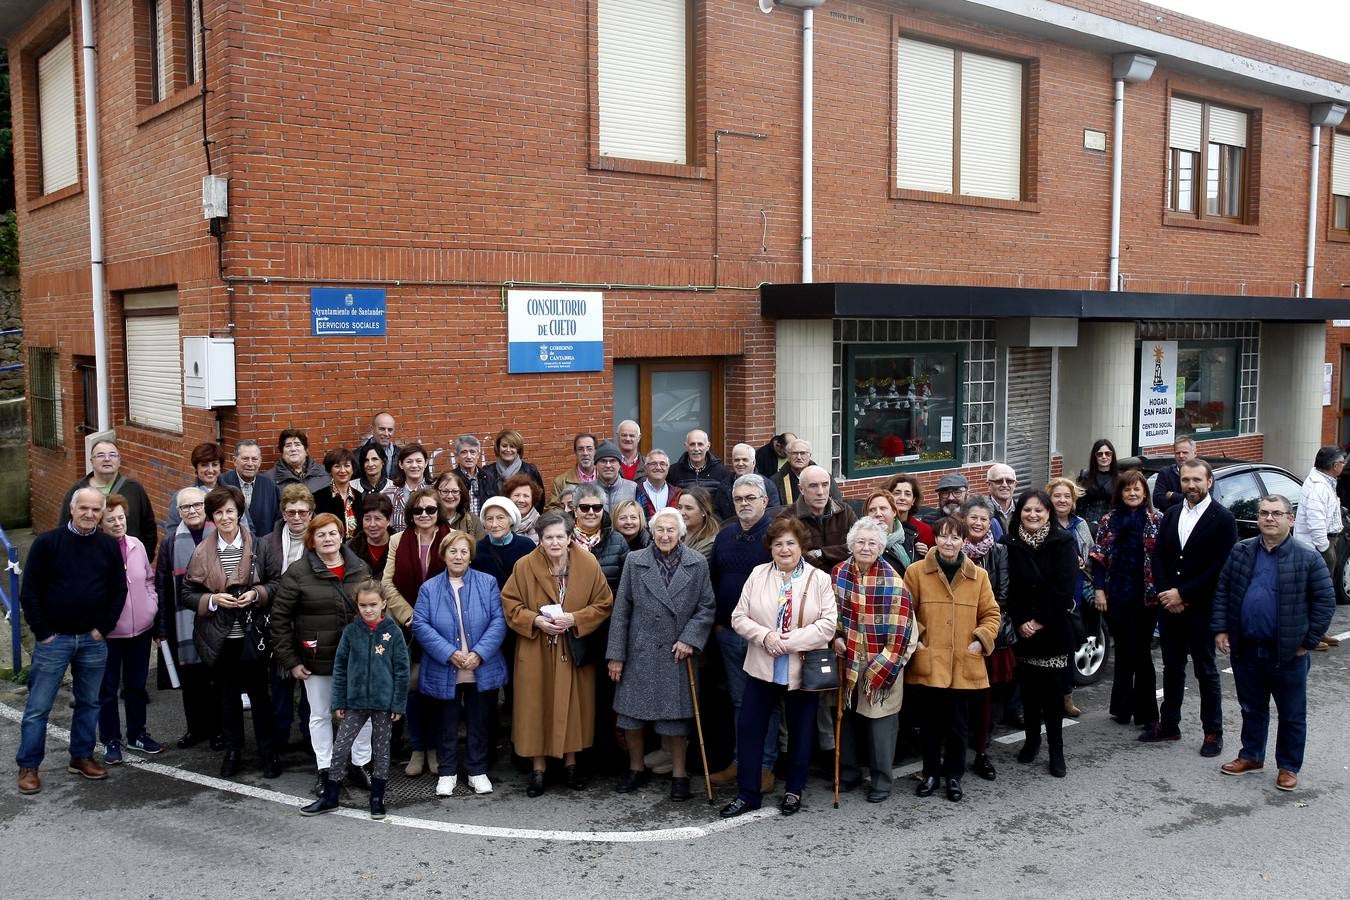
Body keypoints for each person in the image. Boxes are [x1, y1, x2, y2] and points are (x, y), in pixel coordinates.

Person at [1213, 495, 1336, 792]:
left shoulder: (1307, 557)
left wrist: (1308, 640)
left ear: (1290, 520)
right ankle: (1252, 755)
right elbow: (1223, 591)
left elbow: (1325, 601)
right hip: (1247, 648)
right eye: (1264, 513)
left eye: (1277, 513)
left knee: (1292, 714)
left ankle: (1288, 767)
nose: (1269, 518)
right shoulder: (1241, 551)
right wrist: (1220, 629)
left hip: (1288, 653)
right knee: (1251, 707)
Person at [719, 516, 837, 818]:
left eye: (790, 543)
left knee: (800, 732)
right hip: (762, 665)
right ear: (770, 548)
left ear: (801, 547)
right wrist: (766, 636)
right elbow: (739, 617)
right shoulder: (758, 574)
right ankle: (748, 794)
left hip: (801, 667)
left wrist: (791, 641)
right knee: (749, 729)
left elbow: (827, 625)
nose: (784, 549)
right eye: (778, 544)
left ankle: (794, 790)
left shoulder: (819, 578)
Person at [16, 488, 126, 795]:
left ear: (101, 513)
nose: (90, 514)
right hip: (55, 641)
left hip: (92, 641)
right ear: (72, 509)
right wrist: (43, 632)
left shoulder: (107, 546)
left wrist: (102, 628)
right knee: (39, 707)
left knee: (90, 703)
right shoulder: (47, 543)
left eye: (95, 510)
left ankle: (81, 756)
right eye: (84, 509)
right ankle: (28, 766)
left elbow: (119, 590)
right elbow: (30, 591)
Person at [501, 511, 615, 797]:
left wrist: (575, 619)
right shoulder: (524, 565)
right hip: (536, 647)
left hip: (572, 647)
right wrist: (534, 620)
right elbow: (510, 603)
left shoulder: (588, 563)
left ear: (569, 537)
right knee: (535, 705)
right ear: (540, 539)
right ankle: (538, 769)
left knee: (574, 707)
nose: (554, 543)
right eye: (548, 537)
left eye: (559, 537)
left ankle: (571, 765)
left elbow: (604, 603)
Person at [606, 507, 716, 800]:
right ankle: (635, 769)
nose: (665, 535)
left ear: (680, 533)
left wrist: (689, 639)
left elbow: (706, 607)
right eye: (659, 530)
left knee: (676, 720)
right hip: (639, 650)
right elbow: (621, 611)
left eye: (671, 530)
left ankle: (679, 774)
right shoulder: (634, 560)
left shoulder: (696, 563)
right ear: (651, 532)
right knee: (631, 717)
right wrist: (616, 655)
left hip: (676, 652)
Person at [270, 513, 374, 794]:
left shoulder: (359, 568)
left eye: (332, 533)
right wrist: (291, 661)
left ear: (342, 536)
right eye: (321, 535)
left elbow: (374, 611)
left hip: (357, 658)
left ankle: (359, 763)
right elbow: (279, 619)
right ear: (311, 540)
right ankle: (327, 768)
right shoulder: (297, 572)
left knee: (362, 712)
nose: (328, 539)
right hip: (316, 658)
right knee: (320, 715)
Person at [183, 486, 279, 779]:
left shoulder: (260, 546)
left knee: (261, 697)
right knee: (227, 697)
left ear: (239, 513)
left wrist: (256, 594)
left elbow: (276, 582)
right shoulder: (201, 551)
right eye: (219, 512)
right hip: (220, 637)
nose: (225, 517)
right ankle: (234, 750)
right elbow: (186, 593)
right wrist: (213, 600)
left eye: (230, 511)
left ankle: (267, 752)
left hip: (253, 636)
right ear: (212, 516)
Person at [904, 515, 999, 801]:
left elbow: (992, 614)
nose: (949, 542)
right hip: (931, 660)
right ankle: (931, 773)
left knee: (959, 726)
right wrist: (920, 640)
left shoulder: (978, 575)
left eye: (955, 537)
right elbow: (906, 612)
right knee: (931, 725)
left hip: (963, 660)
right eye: (943, 536)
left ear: (963, 541)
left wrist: (980, 641)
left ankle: (954, 776)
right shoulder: (916, 571)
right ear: (935, 539)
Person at [1146, 458, 1237, 756]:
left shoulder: (1223, 519)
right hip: (1169, 608)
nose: (1191, 485)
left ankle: (1213, 732)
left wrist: (1182, 594)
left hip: (1200, 609)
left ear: (1209, 482)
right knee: (1172, 668)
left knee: (1206, 671)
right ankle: (1169, 724)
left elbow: (1219, 568)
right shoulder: (1171, 514)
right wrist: (1165, 593)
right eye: (1186, 480)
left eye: (1197, 480)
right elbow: (1158, 556)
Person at [301, 580, 409, 819]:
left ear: (384, 604)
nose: (368, 609)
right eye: (363, 605)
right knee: (340, 749)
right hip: (355, 703)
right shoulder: (351, 632)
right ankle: (330, 797)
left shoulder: (394, 633)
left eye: (373, 604)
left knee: (381, 752)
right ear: (357, 606)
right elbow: (340, 668)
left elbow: (402, 670)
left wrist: (398, 703)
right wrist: (339, 701)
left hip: (383, 704)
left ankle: (377, 799)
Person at [414, 530, 509, 797]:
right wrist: (449, 653)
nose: (458, 556)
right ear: (443, 555)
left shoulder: (488, 582)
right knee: (446, 723)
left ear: (471, 556)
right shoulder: (429, 588)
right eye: (453, 551)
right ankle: (447, 772)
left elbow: (498, 621)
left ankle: (477, 771)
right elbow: (420, 625)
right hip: (445, 667)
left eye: (464, 551)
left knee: (479, 722)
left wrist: (479, 653)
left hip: (481, 667)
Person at [831, 517, 914, 803]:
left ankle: (881, 779)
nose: (865, 547)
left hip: (884, 660)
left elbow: (903, 629)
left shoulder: (893, 579)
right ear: (851, 544)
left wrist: (885, 663)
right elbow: (833, 616)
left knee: (881, 726)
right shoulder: (839, 573)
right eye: (860, 542)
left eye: (872, 543)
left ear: (881, 547)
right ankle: (849, 773)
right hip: (849, 658)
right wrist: (836, 638)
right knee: (848, 720)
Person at [708, 474, 781, 793]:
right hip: (729, 635)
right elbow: (712, 581)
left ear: (765, 501)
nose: (744, 504)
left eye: (751, 498)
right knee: (739, 702)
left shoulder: (777, 537)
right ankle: (741, 762)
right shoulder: (724, 537)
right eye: (739, 499)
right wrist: (718, 624)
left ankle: (765, 766)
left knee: (766, 701)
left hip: (764, 637)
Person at [1003, 490, 1078, 778]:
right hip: (1023, 632)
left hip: (1053, 630)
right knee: (1030, 694)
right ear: (1019, 513)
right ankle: (1032, 741)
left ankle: (1056, 752)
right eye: (1026, 510)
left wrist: (1038, 621)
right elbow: (1009, 588)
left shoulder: (1062, 542)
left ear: (1048, 514)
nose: (1032, 515)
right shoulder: (1009, 543)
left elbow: (1064, 587)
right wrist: (1022, 621)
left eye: (1039, 510)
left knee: (1053, 696)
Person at [382, 486, 451, 778]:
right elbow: (386, 583)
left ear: (439, 512)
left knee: (436, 692)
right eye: (418, 510)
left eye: (430, 509)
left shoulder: (452, 538)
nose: (424, 515)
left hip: (441, 627)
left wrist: (430, 619)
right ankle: (417, 748)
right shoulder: (398, 540)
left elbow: (457, 579)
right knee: (412, 690)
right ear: (410, 513)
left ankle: (435, 749)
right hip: (407, 627)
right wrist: (411, 616)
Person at [1090, 470, 1163, 730]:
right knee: (1123, 652)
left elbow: (1164, 559)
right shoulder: (1108, 520)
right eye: (1127, 489)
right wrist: (1099, 590)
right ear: (1120, 493)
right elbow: (1099, 557)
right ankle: (1121, 708)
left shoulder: (1157, 520)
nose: (1132, 493)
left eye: (1137, 489)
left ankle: (1147, 715)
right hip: (1117, 595)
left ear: (1145, 492)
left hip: (1148, 599)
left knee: (1142, 654)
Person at [97, 493, 164, 766]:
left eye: (120, 518)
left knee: (136, 686)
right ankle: (111, 740)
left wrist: (151, 605)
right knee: (107, 690)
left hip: (141, 630)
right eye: (110, 519)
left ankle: (137, 734)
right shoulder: (97, 549)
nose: (117, 523)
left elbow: (148, 579)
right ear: (101, 524)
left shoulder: (136, 545)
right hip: (109, 634)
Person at [254, 484, 318, 754]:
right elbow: (260, 580)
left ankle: (309, 738)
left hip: (310, 622)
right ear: (283, 512)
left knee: (310, 686)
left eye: (302, 512)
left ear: (311, 514)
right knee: (280, 687)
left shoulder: (320, 541)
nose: (297, 518)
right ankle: (278, 741)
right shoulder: (266, 542)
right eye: (291, 512)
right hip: (276, 622)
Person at [157, 486, 220, 751]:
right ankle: (196, 728)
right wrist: (160, 626)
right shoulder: (170, 542)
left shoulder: (220, 534)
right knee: (192, 680)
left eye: (196, 505)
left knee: (217, 679)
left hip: (218, 618)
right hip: (183, 621)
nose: (192, 511)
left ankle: (220, 730)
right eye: (185, 507)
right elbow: (161, 585)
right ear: (178, 511)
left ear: (205, 506)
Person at [960, 495, 1013, 782]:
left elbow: (1002, 597)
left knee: (985, 699)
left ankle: (981, 751)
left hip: (987, 636)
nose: (978, 523)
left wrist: (982, 632)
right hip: (954, 636)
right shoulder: (951, 547)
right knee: (955, 698)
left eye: (983, 519)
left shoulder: (999, 552)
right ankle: (953, 753)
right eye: (973, 518)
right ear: (964, 520)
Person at [60, 439, 158, 559]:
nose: (107, 459)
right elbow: (63, 528)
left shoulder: (134, 489)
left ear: (119, 460)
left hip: (128, 559)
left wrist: (143, 558)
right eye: (100, 455)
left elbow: (149, 528)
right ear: (92, 461)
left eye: (112, 455)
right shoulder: (77, 491)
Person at [1048, 476, 1093, 718]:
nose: (1062, 500)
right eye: (1057, 496)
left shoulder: (1080, 524)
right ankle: (1047, 698)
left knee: (1067, 647)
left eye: (1067, 496)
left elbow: (1090, 555)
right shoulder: (1042, 521)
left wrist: (1082, 561)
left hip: (1074, 593)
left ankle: (1066, 696)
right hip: (1050, 592)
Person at [1292, 446, 1346, 644]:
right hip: (1318, 546)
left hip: (1324, 543)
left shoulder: (1325, 482)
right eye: (1342, 463)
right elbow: (1316, 523)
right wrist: (1326, 549)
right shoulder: (1318, 487)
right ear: (1333, 466)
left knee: (1320, 593)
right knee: (1315, 593)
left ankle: (1318, 632)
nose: (1344, 466)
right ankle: (1309, 636)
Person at [782, 465, 857, 572]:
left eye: (825, 485)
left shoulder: (845, 511)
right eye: (813, 486)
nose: (820, 492)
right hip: (807, 581)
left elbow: (858, 545)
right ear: (801, 489)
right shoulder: (787, 519)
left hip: (844, 578)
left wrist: (820, 553)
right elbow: (794, 558)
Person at [668, 428, 734, 520]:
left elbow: (725, 505)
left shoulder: (722, 472)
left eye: (700, 444)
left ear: (708, 446)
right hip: (683, 524)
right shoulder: (673, 472)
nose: (696, 449)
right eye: (692, 444)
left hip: (712, 525)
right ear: (686, 446)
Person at [472, 496, 535, 589]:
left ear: (511, 520)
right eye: (489, 519)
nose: (494, 524)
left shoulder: (527, 546)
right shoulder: (478, 549)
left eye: (500, 518)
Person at [221, 439, 281, 537]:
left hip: (263, 545)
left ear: (260, 461)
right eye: (245, 459)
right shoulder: (223, 483)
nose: (250, 463)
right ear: (234, 461)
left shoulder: (270, 486)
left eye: (254, 459)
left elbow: (277, 520)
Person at [166, 441, 224, 530]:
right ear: (196, 468)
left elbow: (247, 527)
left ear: (220, 467)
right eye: (204, 465)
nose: (210, 470)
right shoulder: (181, 496)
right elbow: (172, 531)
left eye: (215, 464)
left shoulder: (232, 493)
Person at [772, 438, 842, 508]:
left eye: (803, 453)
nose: (799, 457)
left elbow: (837, 503)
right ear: (788, 456)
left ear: (809, 455)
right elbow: (775, 510)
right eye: (794, 453)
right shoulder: (777, 480)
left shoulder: (824, 476)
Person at [313, 447, 363, 539]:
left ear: (352, 469)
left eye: (347, 466)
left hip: (355, 550)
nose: (343, 470)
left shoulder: (360, 497)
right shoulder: (318, 497)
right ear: (330, 470)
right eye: (337, 466)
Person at [884, 473, 934, 560]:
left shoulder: (924, 531)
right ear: (888, 497)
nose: (902, 498)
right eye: (897, 493)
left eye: (907, 494)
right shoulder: (878, 527)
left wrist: (925, 555)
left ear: (913, 500)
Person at [491, 430, 545, 508]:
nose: (508, 450)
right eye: (504, 446)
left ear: (518, 450)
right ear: (498, 448)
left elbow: (539, 501)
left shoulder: (530, 470)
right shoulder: (487, 472)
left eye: (512, 446)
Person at [385, 442, 432, 532]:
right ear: (401, 464)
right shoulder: (389, 493)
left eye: (419, 461)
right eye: (409, 461)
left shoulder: (435, 490)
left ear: (425, 463)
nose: (414, 466)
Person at [1076, 439, 1119, 535]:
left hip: (1111, 526)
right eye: (1100, 454)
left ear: (1112, 455)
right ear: (1095, 456)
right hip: (1087, 525)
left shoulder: (1120, 479)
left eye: (1108, 453)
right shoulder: (1085, 476)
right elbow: (1078, 504)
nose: (1104, 457)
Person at [269, 428, 331, 493]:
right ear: (282, 452)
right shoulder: (269, 479)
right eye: (288, 446)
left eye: (297, 444)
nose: (293, 449)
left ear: (305, 450)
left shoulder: (324, 472)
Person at [863, 490, 911, 574]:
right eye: (872, 510)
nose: (878, 514)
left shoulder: (912, 538)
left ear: (894, 512)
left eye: (883, 508)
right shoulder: (864, 547)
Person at [549, 432, 598, 509]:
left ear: (595, 451)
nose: (585, 453)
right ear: (575, 452)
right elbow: (551, 510)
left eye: (589, 449)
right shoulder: (561, 482)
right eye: (580, 449)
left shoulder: (605, 478)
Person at [350, 493, 394, 579]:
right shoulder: (351, 548)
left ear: (388, 520)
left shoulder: (399, 546)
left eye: (377, 518)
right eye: (367, 519)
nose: (372, 524)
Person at [435, 470, 486, 540]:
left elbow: (480, 549)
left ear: (461, 494)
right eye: (445, 491)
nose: (450, 496)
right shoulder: (429, 519)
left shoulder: (473, 521)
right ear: (436, 493)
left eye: (455, 491)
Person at [1152, 435, 1197, 513]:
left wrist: (1172, 495)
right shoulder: (1165, 473)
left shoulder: (1204, 474)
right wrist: (1186, 499)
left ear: (1195, 453)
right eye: (1177, 453)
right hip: (1171, 521)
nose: (1181, 456)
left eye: (1185, 452)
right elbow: (1157, 501)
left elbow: (1199, 501)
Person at [451, 434, 494, 517]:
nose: (469, 457)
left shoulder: (488, 478)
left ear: (478, 455)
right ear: (457, 456)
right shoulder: (451, 478)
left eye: (472, 452)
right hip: (460, 527)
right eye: (464, 452)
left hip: (484, 527)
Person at [634, 449, 683, 517]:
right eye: (653, 463)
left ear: (668, 469)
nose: (658, 467)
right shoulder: (635, 490)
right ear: (645, 468)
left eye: (662, 464)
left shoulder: (677, 493)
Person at [730, 443, 781, 507]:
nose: (740, 464)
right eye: (736, 460)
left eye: (745, 460)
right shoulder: (725, 484)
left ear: (754, 462)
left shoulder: (767, 485)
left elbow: (773, 512)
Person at [593, 441, 638, 511]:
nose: (608, 465)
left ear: (620, 465)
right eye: (603, 461)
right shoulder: (587, 489)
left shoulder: (633, 489)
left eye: (612, 461)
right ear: (595, 465)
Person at [678, 486, 720, 559]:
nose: (681, 512)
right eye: (679, 507)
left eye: (688, 508)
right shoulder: (676, 534)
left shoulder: (710, 543)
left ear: (704, 511)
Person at [355, 412, 399, 481]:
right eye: (382, 429)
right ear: (372, 429)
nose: (386, 434)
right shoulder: (356, 456)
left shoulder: (401, 455)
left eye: (390, 430)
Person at [501, 472, 543, 543]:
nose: (521, 500)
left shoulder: (540, 525)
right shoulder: (499, 521)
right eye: (516, 495)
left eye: (526, 496)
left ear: (533, 499)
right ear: (508, 498)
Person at [985, 463, 1018, 536]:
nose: (1005, 485)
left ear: (1015, 484)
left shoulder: (1023, 510)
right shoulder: (981, 511)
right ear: (989, 485)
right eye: (999, 481)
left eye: (1009, 481)